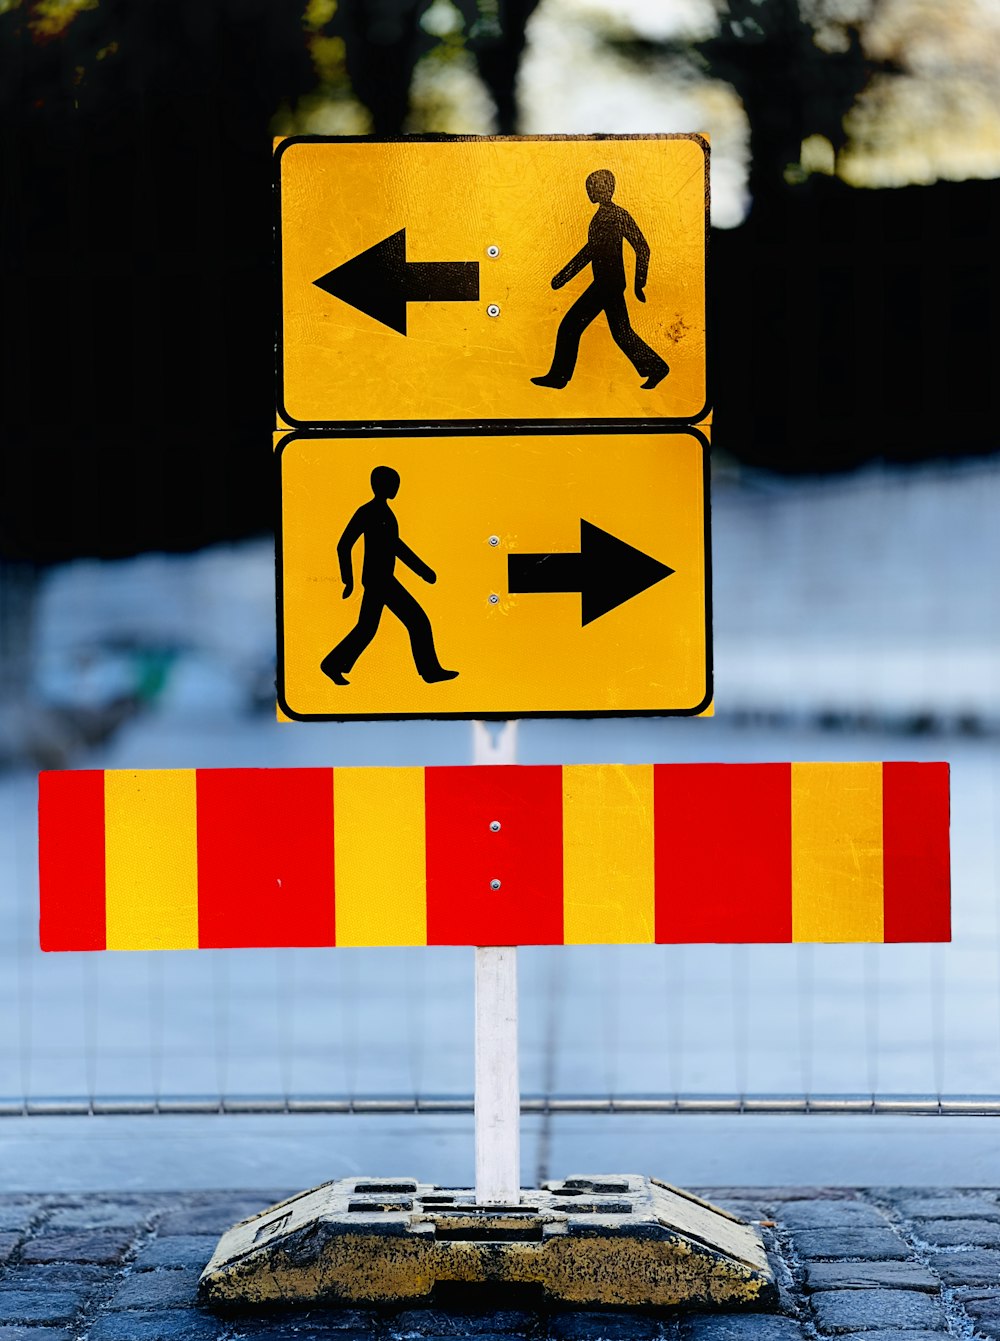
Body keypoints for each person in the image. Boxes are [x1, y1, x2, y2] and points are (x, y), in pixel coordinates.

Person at [532, 168, 669, 390]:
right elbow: (590, 251)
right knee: (621, 332)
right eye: (589, 187)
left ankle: (559, 377)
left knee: (570, 326)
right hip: (607, 283)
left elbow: (642, 247)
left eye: (593, 186)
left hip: (608, 284)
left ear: (606, 188)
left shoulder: (618, 215)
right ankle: (657, 368)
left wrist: (639, 282)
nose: (590, 191)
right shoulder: (601, 217)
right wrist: (563, 277)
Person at [320, 466, 458, 686]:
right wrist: (348, 581)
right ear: (380, 485)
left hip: (382, 579)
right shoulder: (368, 511)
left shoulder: (385, 513)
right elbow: (344, 545)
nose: (396, 488)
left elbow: (396, 546)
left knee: (367, 629)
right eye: (393, 483)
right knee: (418, 621)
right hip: (379, 581)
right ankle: (430, 672)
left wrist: (424, 571)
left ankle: (332, 665)